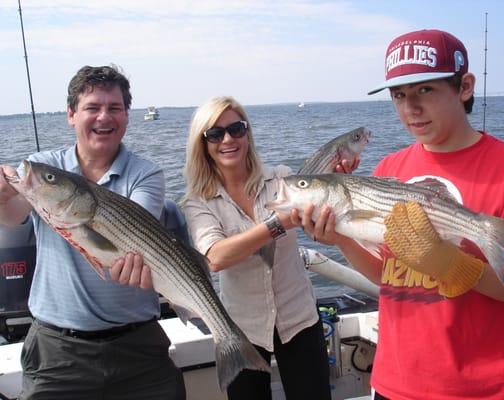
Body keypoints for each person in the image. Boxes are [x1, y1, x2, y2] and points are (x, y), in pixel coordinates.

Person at [294, 29, 504, 399]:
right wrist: (340, 236)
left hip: (486, 389)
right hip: (395, 382)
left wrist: (454, 266)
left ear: (465, 87)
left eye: (425, 90)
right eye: (399, 95)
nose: (410, 108)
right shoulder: (389, 167)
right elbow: (384, 273)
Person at [0, 65, 185, 400]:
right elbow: (12, 216)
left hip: (139, 350)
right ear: (71, 114)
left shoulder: (146, 174)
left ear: (127, 115)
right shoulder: (44, 164)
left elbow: (135, 236)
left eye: (114, 108)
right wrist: (2, 197)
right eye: (92, 108)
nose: (104, 117)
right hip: (57, 353)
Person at [179, 96, 355, 400]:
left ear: (248, 133)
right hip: (241, 330)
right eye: (215, 134)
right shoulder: (198, 201)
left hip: (299, 320)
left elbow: (322, 226)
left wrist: (338, 188)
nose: (228, 139)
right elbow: (216, 257)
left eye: (236, 128)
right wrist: (278, 223)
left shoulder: (284, 180)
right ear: (203, 143)